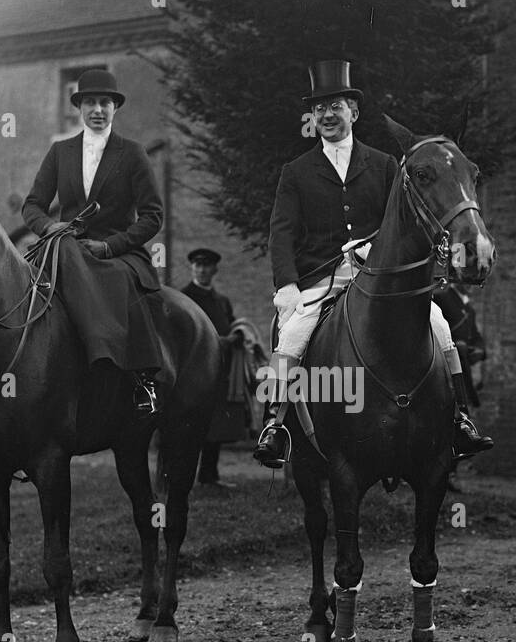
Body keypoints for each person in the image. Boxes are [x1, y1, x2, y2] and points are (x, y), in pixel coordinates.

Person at [252, 59, 493, 467]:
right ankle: (276, 423)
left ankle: (458, 419)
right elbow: (283, 234)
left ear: (354, 112)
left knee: (439, 324)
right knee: (292, 334)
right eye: (320, 109)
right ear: (313, 117)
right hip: (318, 280)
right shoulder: (296, 172)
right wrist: (287, 285)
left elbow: (401, 221)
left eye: (337, 106)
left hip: (375, 275)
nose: (328, 115)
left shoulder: (383, 164)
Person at [22, 68, 165, 412]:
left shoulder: (132, 153)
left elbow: (153, 216)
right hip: (64, 246)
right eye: (90, 103)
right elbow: (33, 205)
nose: (98, 110)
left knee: (118, 281)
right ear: (79, 108)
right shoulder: (60, 152)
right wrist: (48, 228)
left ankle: (139, 378)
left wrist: (110, 246)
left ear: (115, 108)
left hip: (117, 250)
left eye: (105, 103)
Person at [181, 247, 244, 487]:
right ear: (192, 268)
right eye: (198, 265)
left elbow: (230, 324)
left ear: (215, 270)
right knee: (190, 426)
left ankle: (209, 475)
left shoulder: (221, 301)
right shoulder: (184, 298)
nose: (202, 270)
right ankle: (181, 475)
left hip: (219, 371)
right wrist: (223, 341)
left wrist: (239, 335)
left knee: (215, 424)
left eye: (207, 265)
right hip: (191, 373)